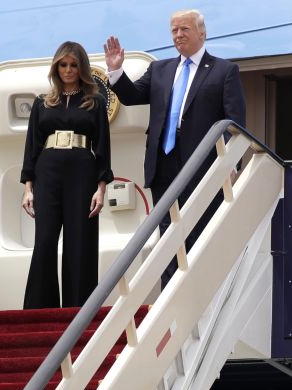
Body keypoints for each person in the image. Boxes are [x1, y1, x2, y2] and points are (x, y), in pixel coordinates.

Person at [104, 9, 246, 286]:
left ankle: (203, 294)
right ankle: (170, 302)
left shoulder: (224, 71)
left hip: (203, 166)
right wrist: (115, 70)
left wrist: (231, 163)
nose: (178, 35)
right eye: (174, 30)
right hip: (163, 164)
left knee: (202, 232)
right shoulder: (160, 69)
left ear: (202, 33)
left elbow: (235, 123)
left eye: (185, 29)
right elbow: (132, 96)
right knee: (168, 237)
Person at [20, 41, 114, 309]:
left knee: (80, 241)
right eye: (63, 65)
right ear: (56, 67)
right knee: (45, 241)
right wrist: (29, 188)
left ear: (82, 68)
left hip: (82, 173)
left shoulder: (94, 102)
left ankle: (80, 310)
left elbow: (103, 147)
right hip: (47, 173)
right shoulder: (42, 103)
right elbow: (31, 147)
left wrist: (101, 188)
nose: (68, 70)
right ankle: (39, 311)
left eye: (73, 65)